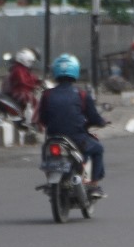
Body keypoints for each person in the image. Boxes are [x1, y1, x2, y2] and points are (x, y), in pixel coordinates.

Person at [36, 54, 109, 197]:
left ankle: (51, 182)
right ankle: (94, 185)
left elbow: (43, 119)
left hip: (53, 138)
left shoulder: (47, 95)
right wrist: (101, 122)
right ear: (75, 71)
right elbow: (94, 117)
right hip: (77, 139)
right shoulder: (82, 94)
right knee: (98, 149)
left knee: (46, 154)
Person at [3, 47, 41, 113]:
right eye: (30, 61)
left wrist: (38, 80)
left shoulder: (21, 69)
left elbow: (30, 76)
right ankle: (33, 120)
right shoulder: (19, 70)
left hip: (18, 90)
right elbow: (23, 82)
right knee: (34, 102)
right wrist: (33, 86)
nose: (31, 63)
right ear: (26, 60)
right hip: (18, 92)